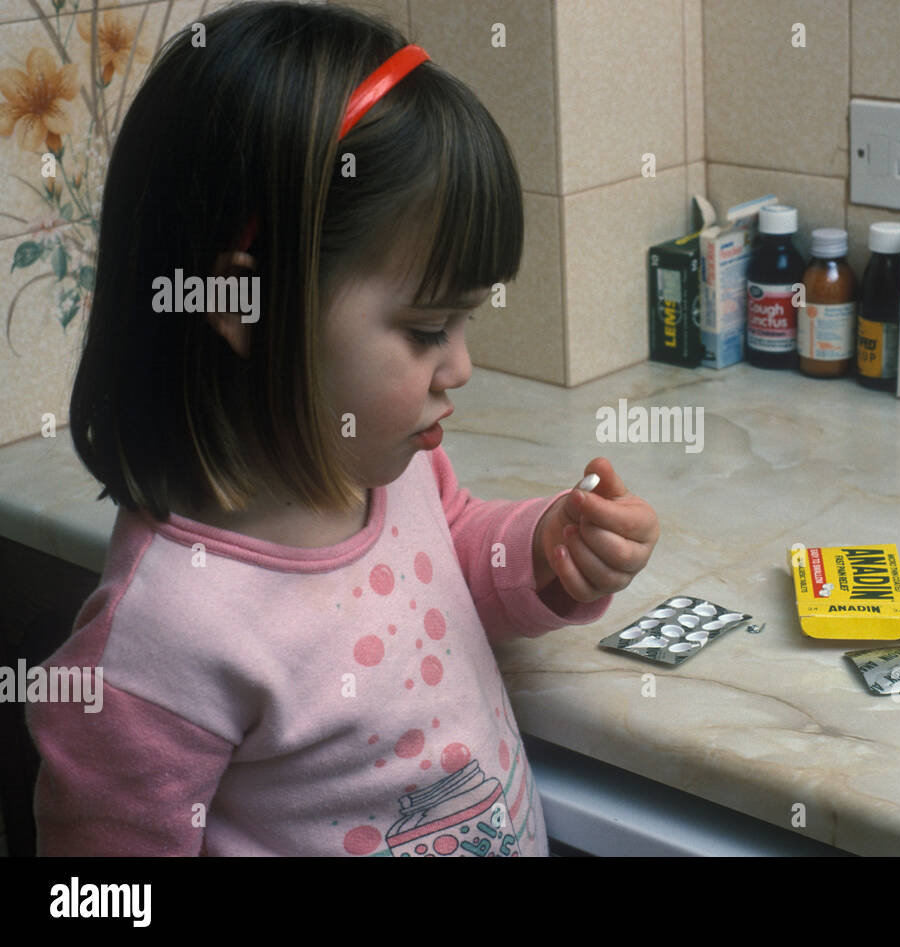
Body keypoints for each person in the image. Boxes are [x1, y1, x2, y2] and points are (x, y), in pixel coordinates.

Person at [26, 1, 658, 857]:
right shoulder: (164, 641)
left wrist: (548, 552)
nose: (461, 365)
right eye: (428, 327)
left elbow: (457, 556)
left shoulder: (386, 470)